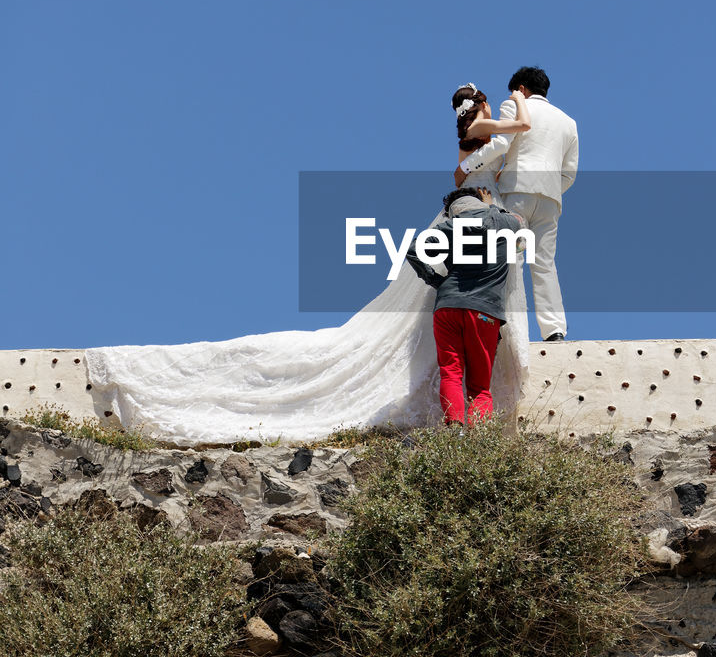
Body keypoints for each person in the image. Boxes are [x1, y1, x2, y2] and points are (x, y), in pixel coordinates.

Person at [84, 84, 530, 446]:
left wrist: (439, 275)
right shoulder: (487, 129)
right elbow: (522, 128)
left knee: (451, 362)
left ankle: (456, 433)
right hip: (484, 265)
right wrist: (523, 98)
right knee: (480, 379)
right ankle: (480, 439)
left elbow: (446, 205)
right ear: (480, 105)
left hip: (455, 261)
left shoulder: (465, 146)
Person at [454, 66, 578, 342]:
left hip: (516, 191)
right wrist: (551, 191)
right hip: (550, 198)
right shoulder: (569, 122)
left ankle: (508, 330)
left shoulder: (513, 104)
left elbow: (503, 143)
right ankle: (554, 330)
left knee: (511, 260)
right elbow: (569, 172)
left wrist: (467, 166)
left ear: (521, 89)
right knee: (544, 262)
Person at [406, 186, 527, 424]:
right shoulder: (505, 222)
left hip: (447, 307)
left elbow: (413, 250)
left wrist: (436, 280)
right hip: (485, 312)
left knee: (450, 373)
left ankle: (454, 429)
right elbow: (521, 234)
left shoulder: (449, 227)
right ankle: (476, 439)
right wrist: (493, 207)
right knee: (480, 386)